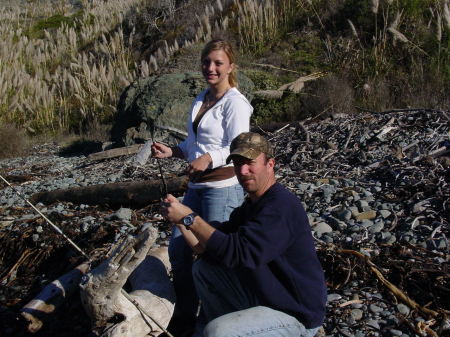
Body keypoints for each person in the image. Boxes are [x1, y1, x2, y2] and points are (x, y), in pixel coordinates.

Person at [161, 132, 327, 337]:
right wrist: (180, 221)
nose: (243, 170)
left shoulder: (280, 206)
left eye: (250, 163)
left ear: (270, 164)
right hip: (265, 298)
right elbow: (205, 248)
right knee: (204, 269)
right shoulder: (251, 205)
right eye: (238, 164)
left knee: (218, 332)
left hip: (296, 314)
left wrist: (190, 218)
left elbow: (238, 253)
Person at [150, 39, 253, 333]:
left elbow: (238, 147)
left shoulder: (236, 103)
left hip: (222, 190)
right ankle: (184, 313)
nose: (211, 68)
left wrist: (210, 158)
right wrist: (174, 150)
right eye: (207, 62)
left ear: (231, 66)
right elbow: (193, 144)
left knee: (214, 256)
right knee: (178, 251)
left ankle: (216, 318)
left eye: (218, 63)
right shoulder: (201, 98)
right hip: (195, 189)